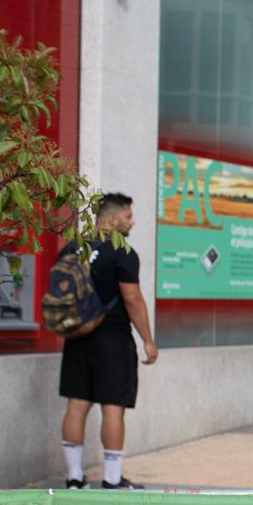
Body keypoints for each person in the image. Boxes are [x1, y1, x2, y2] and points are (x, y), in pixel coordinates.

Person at [60, 193, 156, 489]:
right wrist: (148, 341)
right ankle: (112, 480)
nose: (132, 221)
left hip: (77, 337)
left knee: (77, 405)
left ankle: (75, 478)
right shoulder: (122, 252)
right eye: (128, 216)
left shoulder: (72, 248)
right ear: (112, 218)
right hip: (112, 341)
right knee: (113, 408)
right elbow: (132, 298)